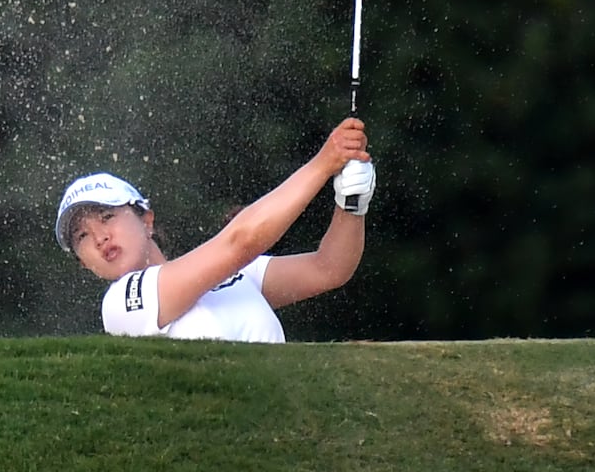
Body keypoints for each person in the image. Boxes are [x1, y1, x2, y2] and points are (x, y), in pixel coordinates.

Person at [54, 117, 376, 342]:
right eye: (82, 236)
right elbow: (240, 242)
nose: (99, 238)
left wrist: (351, 205)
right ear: (83, 263)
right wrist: (323, 163)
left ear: (146, 219)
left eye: (107, 216)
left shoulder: (232, 275)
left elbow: (329, 268)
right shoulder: (122, 303)